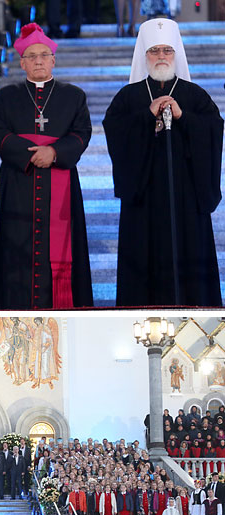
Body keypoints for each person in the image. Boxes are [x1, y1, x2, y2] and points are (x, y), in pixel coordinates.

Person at [103, 18, 223, 307]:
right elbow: (115, 132)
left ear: (176, 55)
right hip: (142, 201)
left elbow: (213, 130)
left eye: (166, 51)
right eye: (154, 51)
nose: (160, 57)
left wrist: (183, 117)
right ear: (144, 56)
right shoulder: (128, 96)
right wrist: (146, 116)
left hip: (186, 200)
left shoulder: (195, 95)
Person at [0, 24, 92, 309]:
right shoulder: (6, 96)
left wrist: (55, 152)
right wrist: (31, 154)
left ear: (53, 60)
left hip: (60, 185)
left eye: (43, 55)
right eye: (32, 56)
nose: (38, 61)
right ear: (22, 62)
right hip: (18, 186)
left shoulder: (73, 96)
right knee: (16, 250)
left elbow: (82, 133)